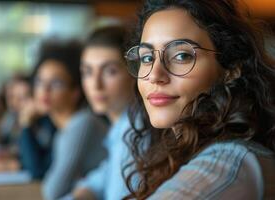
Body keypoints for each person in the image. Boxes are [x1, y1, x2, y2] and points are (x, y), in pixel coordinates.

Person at [123, 0, 275, 199]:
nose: (154, 75)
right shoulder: (173, 152)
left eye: (181, 56)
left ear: (230, 70)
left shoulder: (229, 161)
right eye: (147, 58)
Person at [34, 40, 108, 200]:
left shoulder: (82, 123)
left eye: (56, 83)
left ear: (75, 92)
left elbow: (52, 191)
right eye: (40, 81)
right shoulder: (64, 128)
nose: (44, 90)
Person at [71, 26, 135, 200]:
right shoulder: (121, 125)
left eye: (110, 71)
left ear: (134, 73)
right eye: (87, 72)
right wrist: (85, 191)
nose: (95, 85)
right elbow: (101, 177)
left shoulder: (134, 131)